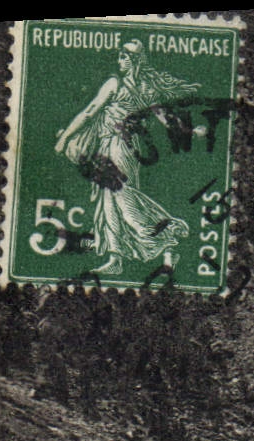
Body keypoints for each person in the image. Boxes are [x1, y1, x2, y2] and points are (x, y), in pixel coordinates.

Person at [54, 41, 199, 275]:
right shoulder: (146, 89)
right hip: (121, 148)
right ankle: (116, 258)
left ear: (134, 61)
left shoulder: (116, 84)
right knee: (110, 200)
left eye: (123, 57)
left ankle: (167, 230)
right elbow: (165, 118)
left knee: (120, 196)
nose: (119, 61)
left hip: (118, 146)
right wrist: (189, 131)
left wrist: (64, 138)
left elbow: (90, 111)